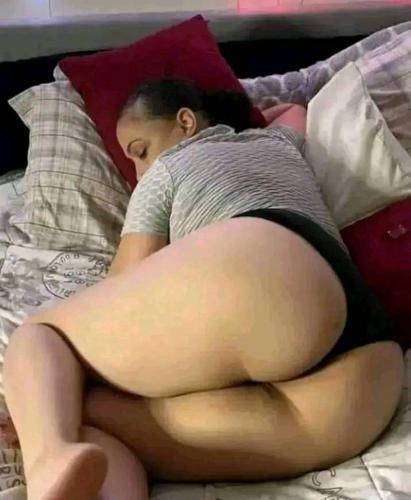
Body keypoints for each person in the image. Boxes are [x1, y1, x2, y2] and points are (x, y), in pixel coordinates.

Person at [3, 78, 404, 500]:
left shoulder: (170, 165)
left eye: (140, 151)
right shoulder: (277, 143)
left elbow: (126, 281)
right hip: (361, 389)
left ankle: (47, 455)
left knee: (44, 335)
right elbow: (293, 111)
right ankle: (61, 448)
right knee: (81, 413)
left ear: (185, 122)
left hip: (266, 268)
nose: (138, 173)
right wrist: (233, 119)